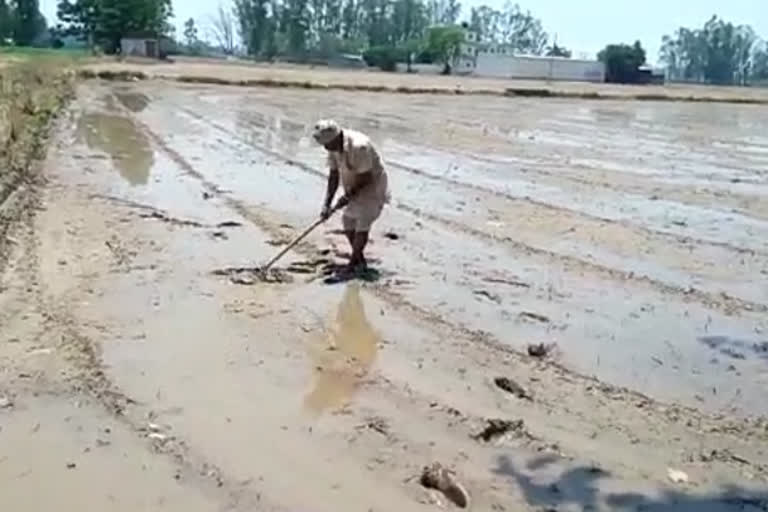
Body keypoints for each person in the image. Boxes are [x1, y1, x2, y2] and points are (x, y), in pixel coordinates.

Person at [313, 119, 389, 273]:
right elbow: (333, 175)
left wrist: (347, 196)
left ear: (335, 138)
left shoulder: (359, 146)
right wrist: (327, 204)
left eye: (327, 144)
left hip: (372, 186)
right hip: (354, 184)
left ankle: (354, 262)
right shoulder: (333, 148)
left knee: (363, 221)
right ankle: (359, 259)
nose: (325, 148)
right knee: (348, 222)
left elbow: (366, 176)